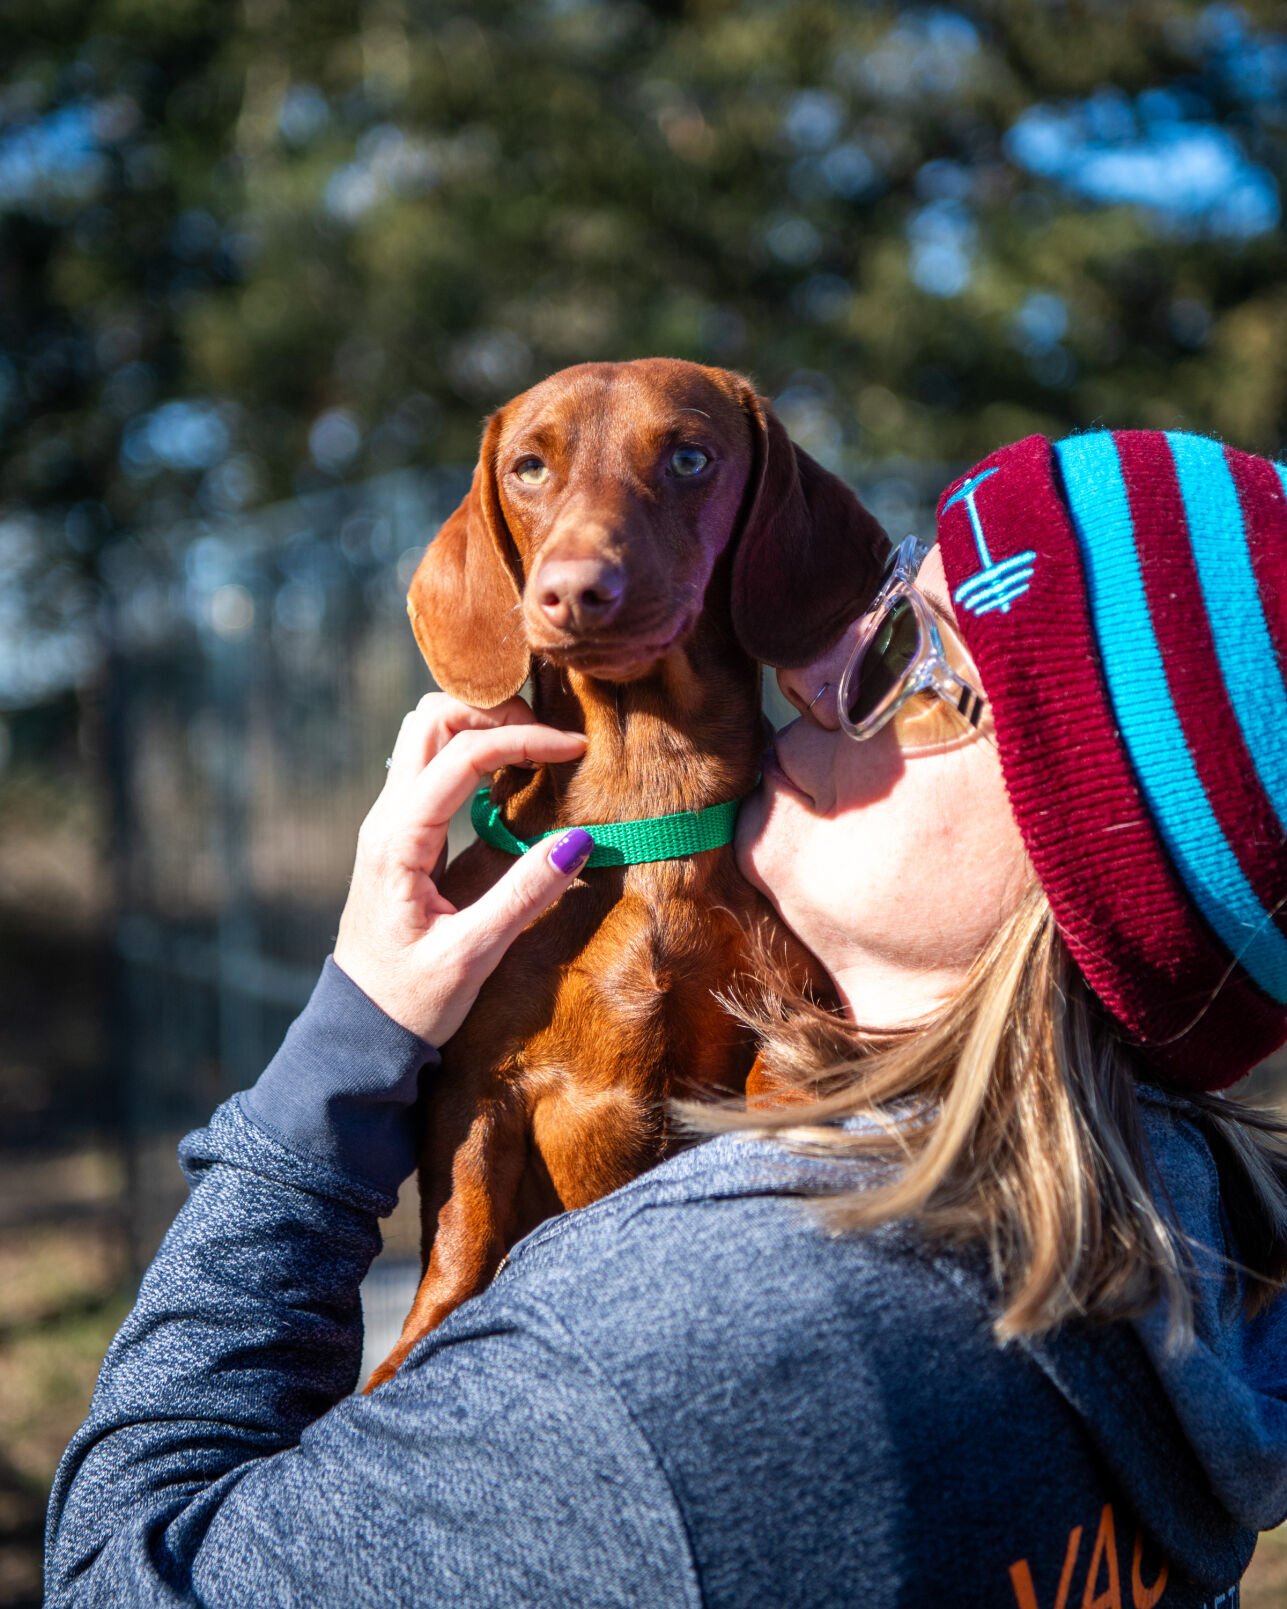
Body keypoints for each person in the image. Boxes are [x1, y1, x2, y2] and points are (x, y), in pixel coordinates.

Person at [45, 429, 1287, 1607]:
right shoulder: (1187, 1232)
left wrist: (330, 1074)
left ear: (1083, 844)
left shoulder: (681, 1361)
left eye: (915, 652)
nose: (810, 665)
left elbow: (122, 1575)